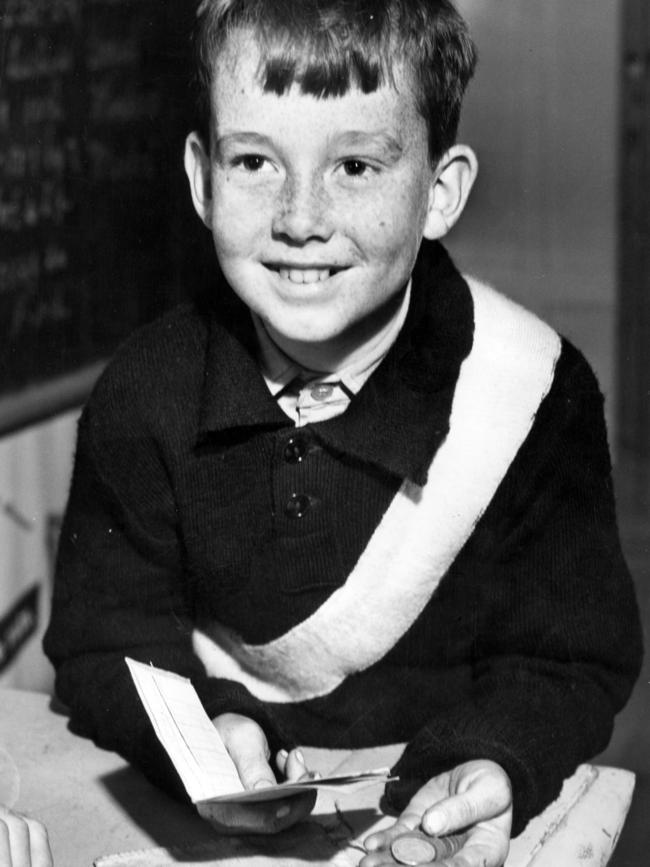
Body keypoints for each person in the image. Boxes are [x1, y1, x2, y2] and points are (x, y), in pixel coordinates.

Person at [43, 1, 643, 865]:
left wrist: (494, 758)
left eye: (356, 164)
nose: (299, 218)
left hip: (428, 813)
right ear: (203, 179)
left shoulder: (536, 392)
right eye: (254, 161)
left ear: (441, 192)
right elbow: (106, 642)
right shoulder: (145, 392)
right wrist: (214, 730)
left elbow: (570, 663)